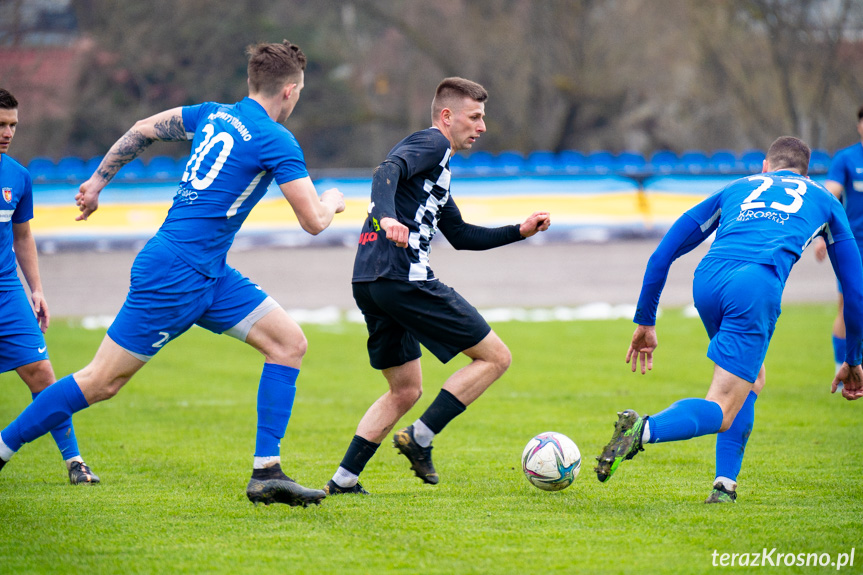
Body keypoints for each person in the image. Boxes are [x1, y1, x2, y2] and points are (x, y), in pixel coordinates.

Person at [0, 41, 345, 507]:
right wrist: (334, 200)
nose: (298, 98)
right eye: (299, 92)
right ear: (289, 90)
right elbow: (313, 222)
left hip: (209, 272)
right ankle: (3, 447)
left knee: (288, 343)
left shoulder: (214, 113)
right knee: (102, 380)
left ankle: (267, 473)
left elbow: (144, 129)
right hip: (176, 273)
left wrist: (99, 180)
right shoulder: (276, 139)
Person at [594, 136, 863, 503]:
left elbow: (662, 255)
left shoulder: (737, 187)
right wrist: (853, 359)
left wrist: (646, 321)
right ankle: (642, 430)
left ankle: (724, 486)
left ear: (765, 167)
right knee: (722, 406)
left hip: (708, 279)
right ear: (805, 170)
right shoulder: (826, 200)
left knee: (752, 379)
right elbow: (856, 293)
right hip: (754, 285)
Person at [323, 77, 551, 495]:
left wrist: (519, 230)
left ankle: (343, 480)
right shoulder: (432, 144)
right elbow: (386, 169)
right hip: (402, 276)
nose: (482, 126)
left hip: (370, 281)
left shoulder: (437, 170)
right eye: (475, 116)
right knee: (495, 358)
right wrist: (387, 217)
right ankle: (421, 438)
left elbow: (461, 235)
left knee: (405, 389)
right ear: (447, 116)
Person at [0, 88, 100, 485]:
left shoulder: (18, 177)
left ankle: (75, 462)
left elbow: (22, 236)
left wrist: (36, 289)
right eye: (0, 125)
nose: (7, 133)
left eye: (12, 125)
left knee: (43, 374)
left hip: (7, 293)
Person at [814, 105, 863, 373]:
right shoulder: (846, 159)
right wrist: (822, 234)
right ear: (858, 126)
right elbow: (830, 195)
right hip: (853, 244)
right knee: (848, 304)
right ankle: (840, 366)